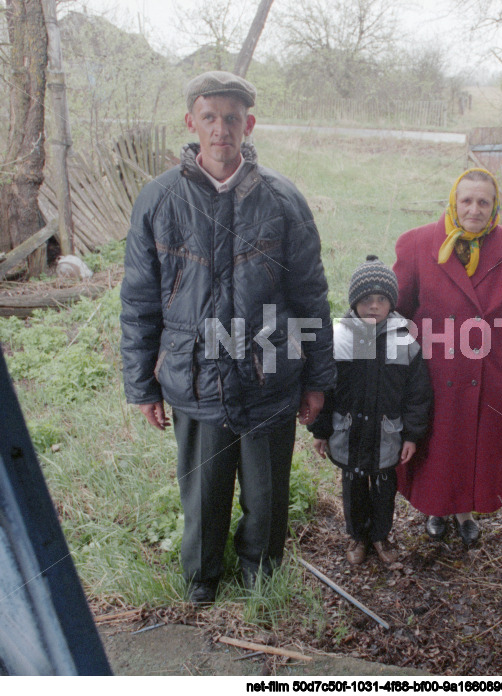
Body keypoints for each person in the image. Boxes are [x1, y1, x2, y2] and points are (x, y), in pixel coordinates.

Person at [120, 71, 336, 603]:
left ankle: (261, 571)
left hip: (268, 374)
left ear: (249, 124)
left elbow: (311, 295)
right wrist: (142, 385)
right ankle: (201, 576)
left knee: (267, 493)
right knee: (202, 489)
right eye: (210, 117)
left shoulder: (284, 199)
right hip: (194, 377)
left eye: (232, 118)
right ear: (191, 122)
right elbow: (140, 301)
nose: (221, 129)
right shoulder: (158, 199)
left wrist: (316, 377)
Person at [393, 168, 502, 546]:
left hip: (488, 370)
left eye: (483, 202)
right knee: (438, 444)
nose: (474, 209)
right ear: (454, 202)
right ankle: (436, 510)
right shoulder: (416, 244)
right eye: (467, 200)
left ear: (494, 207)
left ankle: (464, 513)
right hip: (434, 369)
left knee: (476, 444)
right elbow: (398, 312)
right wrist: (397, 367)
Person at [308, 256, 433, 565]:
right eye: (366, 300)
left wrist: (412, 436)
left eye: (381, 299)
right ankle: (357, 536)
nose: (374, 306)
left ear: (391, 303)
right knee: (353, 487)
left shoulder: (404, 340)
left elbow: (418, 394)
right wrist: (321, 431)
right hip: (349, 433)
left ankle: (380, 536)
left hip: (386, 436)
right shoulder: (341, 338)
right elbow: (326, 390)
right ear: (354, 302)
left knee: (382, 487)